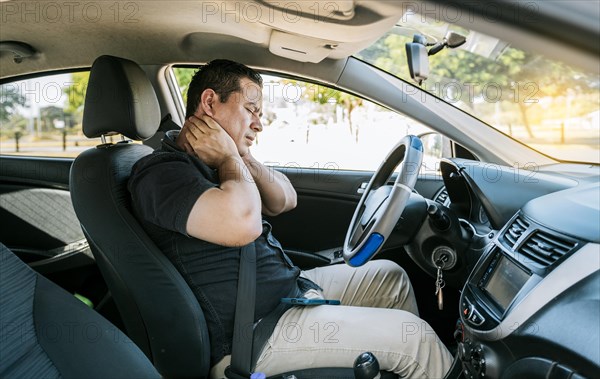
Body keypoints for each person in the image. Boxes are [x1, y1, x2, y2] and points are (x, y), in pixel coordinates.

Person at [128, 59, 453, 378]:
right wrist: (229, 156)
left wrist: (240, 155)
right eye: (251, 110)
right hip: (249, 336)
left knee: (390, 278)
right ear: (210, 102)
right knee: (415, 340)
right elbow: (243, 224)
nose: (258, 124)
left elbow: (285, 199)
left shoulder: (218, 162)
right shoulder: (161, 173)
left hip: (286, 292)